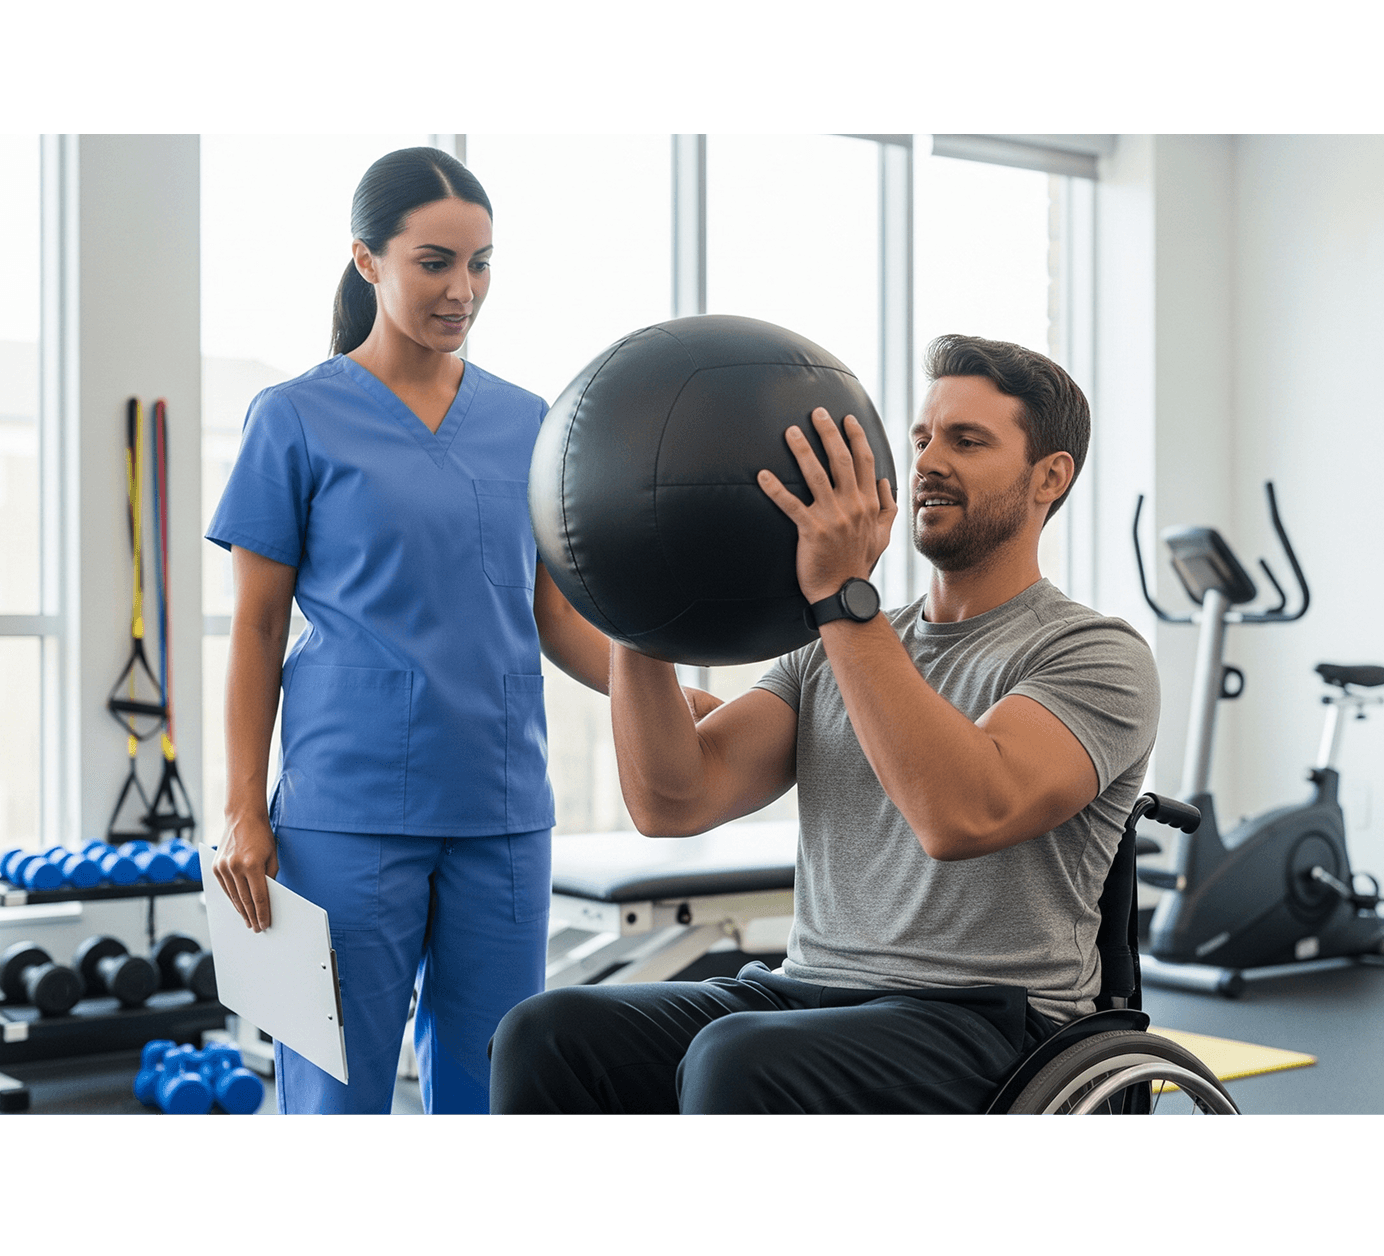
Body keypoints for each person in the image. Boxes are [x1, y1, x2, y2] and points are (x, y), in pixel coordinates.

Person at [490, 334, 1161, 1115]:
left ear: (1050, 476)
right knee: (547, 1032)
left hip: (987, 1026)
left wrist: (843, 598)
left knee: (739, 1060)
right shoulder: (835, 650)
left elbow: (963, 811)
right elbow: (676, 798)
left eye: (967, 441)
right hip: (807, 994)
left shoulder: (1093, 653)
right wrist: (637, 608)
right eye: (922, 438)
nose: (928, 461)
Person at [206, 147, 614, 1115]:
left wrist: (670, 698)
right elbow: (257, 631)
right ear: (367, 260)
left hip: (503, 808)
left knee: (493, 1091)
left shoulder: (529, 422)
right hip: (346, 810)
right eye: (434, 261)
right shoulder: (295, 417)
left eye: (480, 264)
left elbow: (552, 614)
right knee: (335, 1093)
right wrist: (240, 807)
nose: (462, 289)